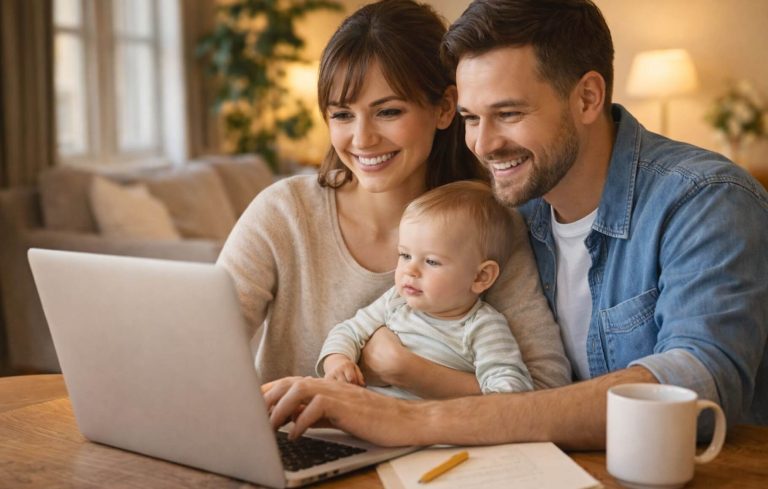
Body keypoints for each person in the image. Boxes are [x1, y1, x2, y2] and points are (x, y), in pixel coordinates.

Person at [263, 0, 768, 449]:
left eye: (507, 113)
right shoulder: (510, 216)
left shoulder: (705, 200)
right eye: (470, 118)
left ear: (587, 98)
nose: (483, 145)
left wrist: (415, 419)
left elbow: (697, 388)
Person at [217, 0, 571, 400]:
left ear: (444, 108)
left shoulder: (488, 223)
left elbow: (546, 392)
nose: (362, 139)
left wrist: (409, 371)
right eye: (342, 115)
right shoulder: (284, 212)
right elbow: (201, 349)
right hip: (289, 436)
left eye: (387, 112)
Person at [319, 180, 534, 399]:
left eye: (431, 261)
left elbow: (512, 392)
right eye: (405, 255)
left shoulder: (482, 328)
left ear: (481, 276)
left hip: (427, 420)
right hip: (362, 409)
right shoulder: (396, 300)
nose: (410, 270)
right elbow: (349, 331)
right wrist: (338, 361)